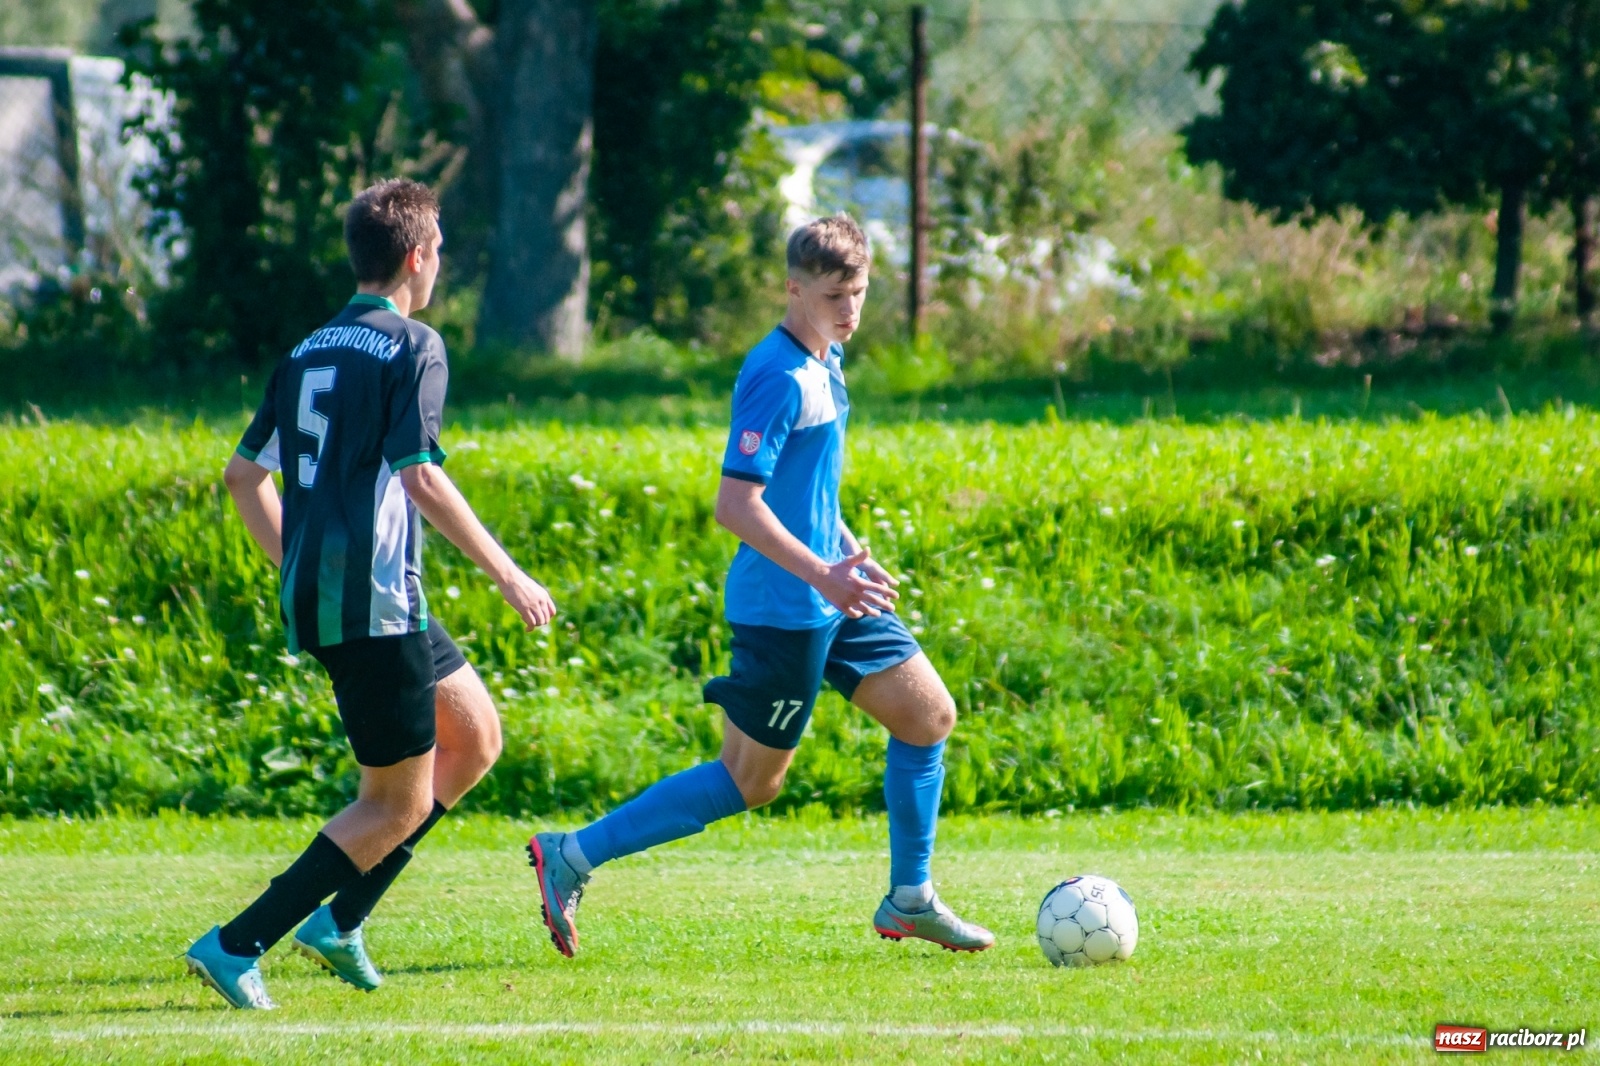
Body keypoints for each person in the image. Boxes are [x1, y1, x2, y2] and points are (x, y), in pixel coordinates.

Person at [528, 213, 993, 957]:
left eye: (861, 293)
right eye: (835, 295)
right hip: (785, 605)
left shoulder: (826, 360)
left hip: (830, 591)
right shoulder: (778, 374)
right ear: (793, 288)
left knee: (928, 716)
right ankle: (570, 856)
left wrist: (845, 554)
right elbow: (736, 505)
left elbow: (802, 491)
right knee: (751, 781)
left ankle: (911, 898)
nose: (851, 311)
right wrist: (822, 575)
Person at [185, 178, 556, 1009]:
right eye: (440, 257)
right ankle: (236, 944)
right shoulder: (416, 344)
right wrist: (510, 573)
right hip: (377, 604)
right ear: (418, 257)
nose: (439, 271)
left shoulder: (308, 348)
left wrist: (296, 568)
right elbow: (419, 474)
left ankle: (340, 920)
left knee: (476, 738)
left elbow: (245, 478)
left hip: (362, 599)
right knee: (395, 803)